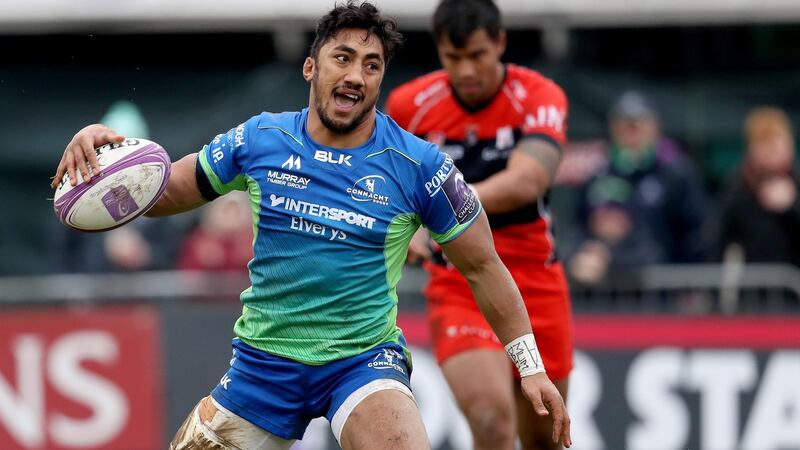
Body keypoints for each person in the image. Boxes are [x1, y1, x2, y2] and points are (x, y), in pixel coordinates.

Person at [50, 2, 571, 450]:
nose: (356, 76)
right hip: (263, 368)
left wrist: (529, 367)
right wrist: (106, 164)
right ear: (310, 67)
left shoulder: (421, 167)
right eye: (342, 58)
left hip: (362, 363)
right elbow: (165, 192)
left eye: (371, 65)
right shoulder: (260, 139)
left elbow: (483, 266)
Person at [385, 1, 573, 448]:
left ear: (500, 43)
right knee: (491, 418)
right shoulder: (409, 106)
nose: (466, 70)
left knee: (543, 437)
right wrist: (406, 227)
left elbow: (527, 181)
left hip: (535, 278)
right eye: (453, 58)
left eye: (477, 55)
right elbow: (388, 187)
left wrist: (439, 208)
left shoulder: (540, 95)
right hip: (459, 282)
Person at [568, 90, 706, 283]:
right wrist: (581, 253)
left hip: (665, 285)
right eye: (625, 126)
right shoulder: (599, 174)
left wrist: (690, 283)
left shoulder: (675, 172)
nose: (632, 133)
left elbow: (695, 233)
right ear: (613, 128)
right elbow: (579, 227)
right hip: (607, 289)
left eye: (638, 126)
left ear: (655, 127)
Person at [717, 106, 800, 266]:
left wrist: (791, 206)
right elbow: (718, 237)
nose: (778, 151)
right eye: (769, 145)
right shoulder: (740, 186)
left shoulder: (796, 181)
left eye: (781, 143)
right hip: (757, 278)